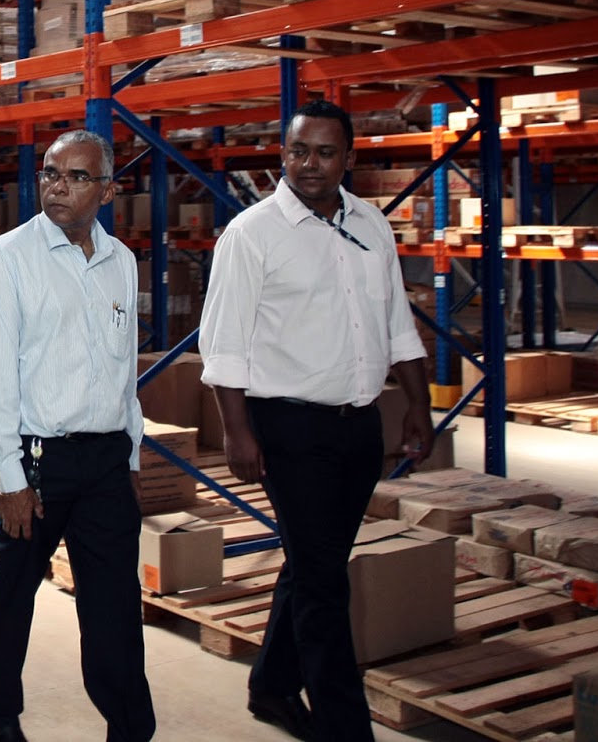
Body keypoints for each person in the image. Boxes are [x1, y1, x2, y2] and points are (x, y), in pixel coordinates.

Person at [199, 99, 433, 742]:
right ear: (283, 154)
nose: (309, 164)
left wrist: (419, 404)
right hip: (288, 429)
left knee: (314, 563)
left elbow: (396, 323)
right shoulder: (252, 234)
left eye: (325, 153)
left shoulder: (372, 225)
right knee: (325, 585)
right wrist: (237, 431)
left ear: (348, 159)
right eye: (298, 150)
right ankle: (344, 727)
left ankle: (271, 685)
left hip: (359, 428)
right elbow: (224, 344)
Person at [0, 129, 157, 742]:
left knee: (114, 604)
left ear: (107, 190)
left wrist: (131, 456)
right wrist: (10, 478)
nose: (57, 187)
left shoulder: (120, 262)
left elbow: (124, 372)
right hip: (36, 461)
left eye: (77, 177)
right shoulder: (6, 259)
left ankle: (130, 726)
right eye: (50, 173)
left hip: (106, 461)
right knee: (14, 591)